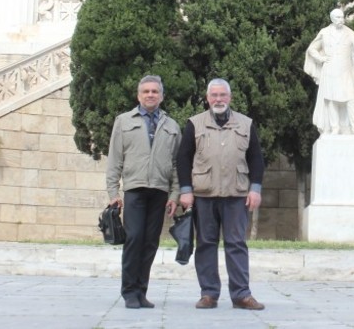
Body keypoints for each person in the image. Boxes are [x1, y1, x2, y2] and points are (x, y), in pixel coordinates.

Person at [177, 78, 266, 310]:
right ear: (207, 98)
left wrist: (255, 188)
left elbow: (256, 158)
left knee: (236, 243)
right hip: (204, 195)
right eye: (214, 95)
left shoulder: (246, 124)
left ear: (230, 97)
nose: (218, 99)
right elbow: (183, 158)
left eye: (222, 95)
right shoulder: (194, 124)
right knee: (205, 243)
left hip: (236, 195)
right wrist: (185, 191)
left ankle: (241, 295)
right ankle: (209, 294)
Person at [106, 75, 181, 309]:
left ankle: (141, 291)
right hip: (135, 189)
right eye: (146, 91)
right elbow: (115, 159)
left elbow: (177, 165)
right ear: (139, 95)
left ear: (161, 96)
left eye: (155, 91)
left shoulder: (172, 126)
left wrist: (174, 195)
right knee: (134, 238)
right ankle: (129, 291)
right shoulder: (124, 121)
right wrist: (112, 192)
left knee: (150, 242)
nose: (150, 95)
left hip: (159, 191)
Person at [304, 8, 354, 137]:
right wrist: (321, 59)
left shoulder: (351, 34)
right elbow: (312, 49)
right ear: (332, 19)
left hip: (346, 72)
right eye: (338, 17)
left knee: (351, 99)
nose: (341, 20)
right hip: (330, 71)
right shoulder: (325, 33)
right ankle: (334, 128)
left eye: (342, 17)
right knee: (331, 100)